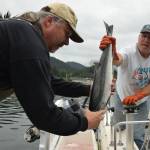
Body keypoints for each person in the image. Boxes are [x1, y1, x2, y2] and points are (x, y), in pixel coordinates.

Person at [0, 2, 106, 136]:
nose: (67, 42)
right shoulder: (31, 44)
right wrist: (85, 122)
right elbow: (44, 116)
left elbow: (49, 82)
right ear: (49, 22)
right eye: (67, 33)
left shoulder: (21, 35)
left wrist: (90, 90)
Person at [99, 24, 150, 149]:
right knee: (118, 128)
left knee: (138, 135)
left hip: (142, 101)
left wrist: (139, 96)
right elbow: (118, 60)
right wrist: (112, 53)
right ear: (138, 37)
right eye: (144, 36)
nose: (147, 40)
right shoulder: (128, 51)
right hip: (121, 97)